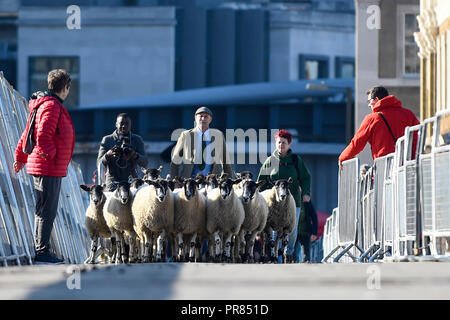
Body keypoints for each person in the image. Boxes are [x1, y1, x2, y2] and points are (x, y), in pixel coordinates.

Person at [14, 69, 75, 264]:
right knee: (47, 209)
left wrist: (21, 157)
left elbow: (27, 132)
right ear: (65, 87)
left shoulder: (43, 104)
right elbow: (41, 134)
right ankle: (42, 251)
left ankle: (42, 249)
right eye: (68, 88)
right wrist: (52, 155)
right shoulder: (52, 106)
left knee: (44, 208)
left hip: (45, 165)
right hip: (48, 166)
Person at [257, 129, 317, 263]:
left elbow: (306, 178)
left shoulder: (296, 160)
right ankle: (275, 255)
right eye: (279, 142)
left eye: (284, 143)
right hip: (273, 203)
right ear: (275, 143)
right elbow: (262, 179)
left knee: (292, 230)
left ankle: (288, 253)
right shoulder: (270, 160)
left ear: (289, 144)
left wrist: (306, 192)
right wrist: (260, 195)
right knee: (273, 229)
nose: (281, 145)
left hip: (293, 201)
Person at [339, 86, 420, 168]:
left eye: (369, 101)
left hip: (384, 169)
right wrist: (412, 160)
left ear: (376, 100)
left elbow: (357, 143)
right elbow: (416, 139)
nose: (369, 105)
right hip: (406, 167)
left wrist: (343, 158)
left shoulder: (372, 119)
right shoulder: (409, 115)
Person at [170, 106, 233, 179]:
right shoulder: (186, 135)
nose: (203, 119)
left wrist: (229, 180)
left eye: (206, 116)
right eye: (201, 116)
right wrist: (175, 181)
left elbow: (226, 161)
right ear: (195, 118)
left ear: (210, 119)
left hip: (212, 181)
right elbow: (175, 161)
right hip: (190, 180)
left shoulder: (218, 135)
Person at [97, 113, 148, 191]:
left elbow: (145, 163)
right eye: (121, 123)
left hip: (132, 183)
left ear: (130, 125)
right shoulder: (107, 140)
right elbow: (100, 162)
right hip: (113, 183)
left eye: (127, 123)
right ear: (116, 124)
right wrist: (109, 154)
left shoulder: (137, 140)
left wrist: (134, 155)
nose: (124, 126)